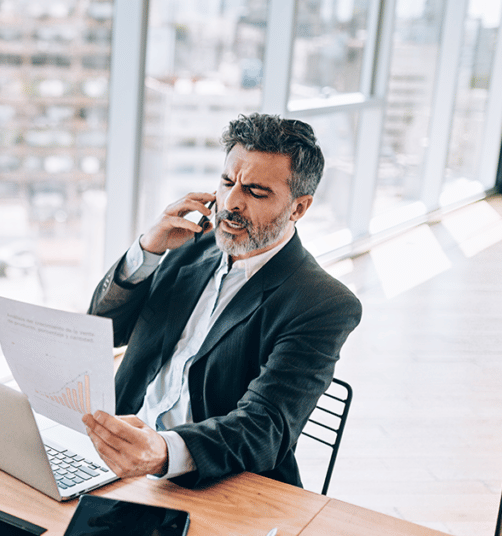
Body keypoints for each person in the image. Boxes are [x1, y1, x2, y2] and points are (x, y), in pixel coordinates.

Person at [81, 113, 362, 489]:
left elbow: (265, 427)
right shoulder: (187, 243)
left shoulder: (323, 304)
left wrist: (163, 451)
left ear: (298, 208)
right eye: (228, 182)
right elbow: (104, 331)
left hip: (218, 482)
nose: (230, 202)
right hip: (116, 456)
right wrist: (147, 250)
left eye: (255, 192)